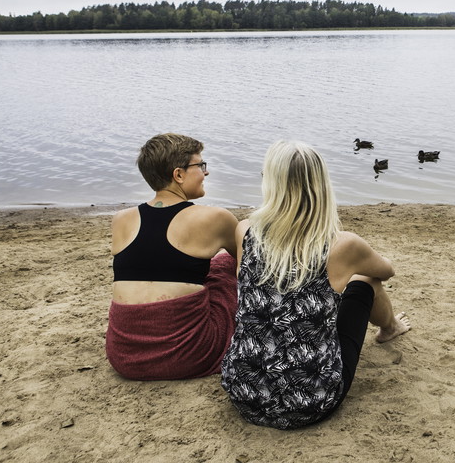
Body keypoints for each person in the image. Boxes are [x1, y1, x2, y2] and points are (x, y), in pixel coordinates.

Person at [221, 140, 411, 429]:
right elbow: (387, 271)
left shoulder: (245, 230)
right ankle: (390, 328)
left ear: (270, 182)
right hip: (309, 402)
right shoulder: (342, 244)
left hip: (243, 391)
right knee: (366, 279)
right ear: (321, 185)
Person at [106, 133, 239, 380]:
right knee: (226, 264)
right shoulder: (215, 217)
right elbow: (249, 262)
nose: (206, 172)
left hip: (125, 357)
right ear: (178, 174)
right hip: (187, 356)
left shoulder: (121, 219)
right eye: (200, 165)